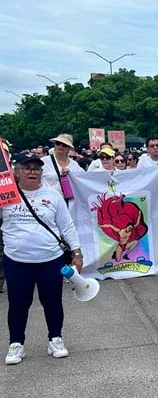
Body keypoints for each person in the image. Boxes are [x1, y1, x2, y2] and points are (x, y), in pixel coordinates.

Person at [3, 156, 84, 365]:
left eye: (37, 169)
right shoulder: (5, 195)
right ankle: (16, 343)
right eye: (27, 168)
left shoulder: (53, 195)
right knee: (18, 304)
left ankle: (55, 338)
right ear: (17, 171)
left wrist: (77, 253)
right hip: (16, 260)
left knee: (52, 301)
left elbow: (67, 226)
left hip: (50, 259)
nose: (32, 172)